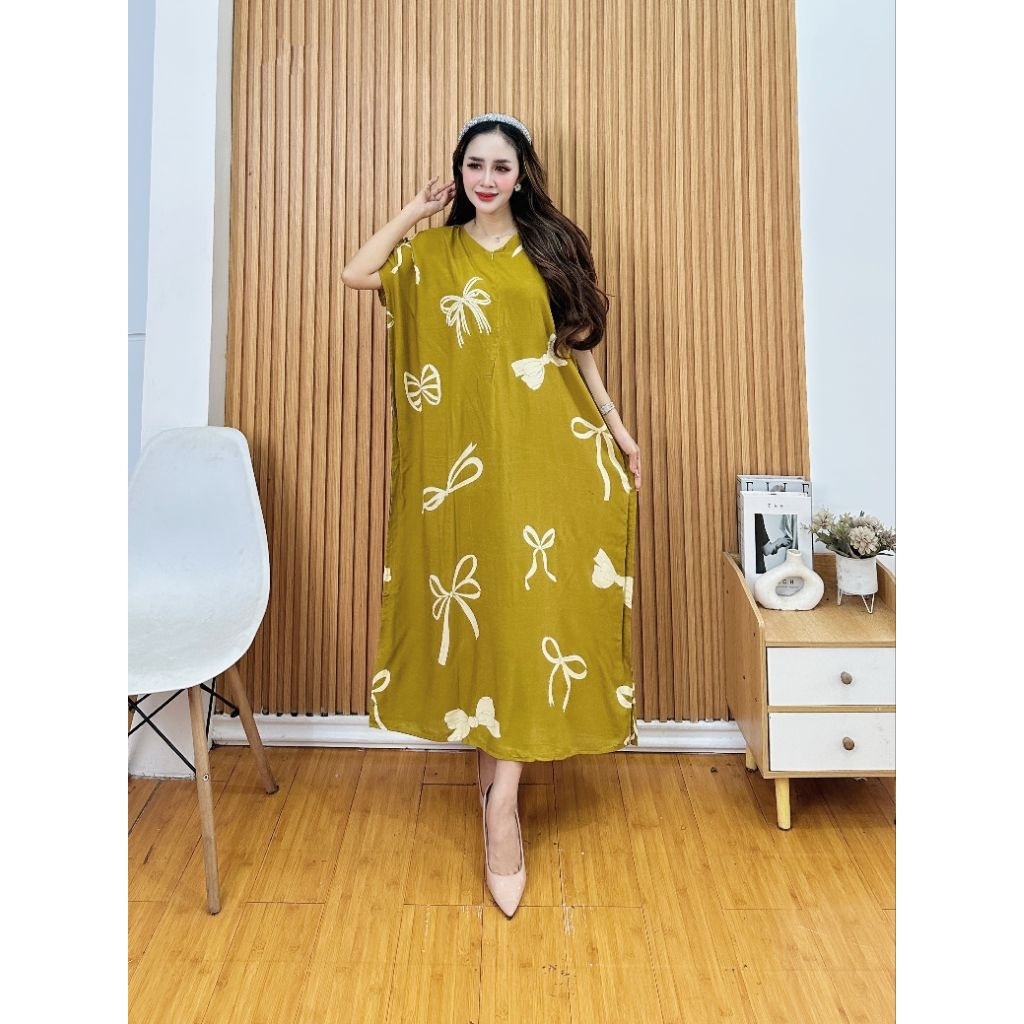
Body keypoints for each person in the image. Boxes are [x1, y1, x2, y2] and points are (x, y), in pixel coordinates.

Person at [341, 112, 641, 918]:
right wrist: (415, 210)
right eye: (474, 165)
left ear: (521, 173)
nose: (486, 179)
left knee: (531, 610)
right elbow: (356, 273)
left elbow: (577, 341)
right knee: (487, 609)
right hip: (463, 469)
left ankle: (502, 805)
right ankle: (492, 763)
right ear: (458, 171)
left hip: (544, 455)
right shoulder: (431, 255)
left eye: (501, 166)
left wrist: (613, 423)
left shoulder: (549, 247)